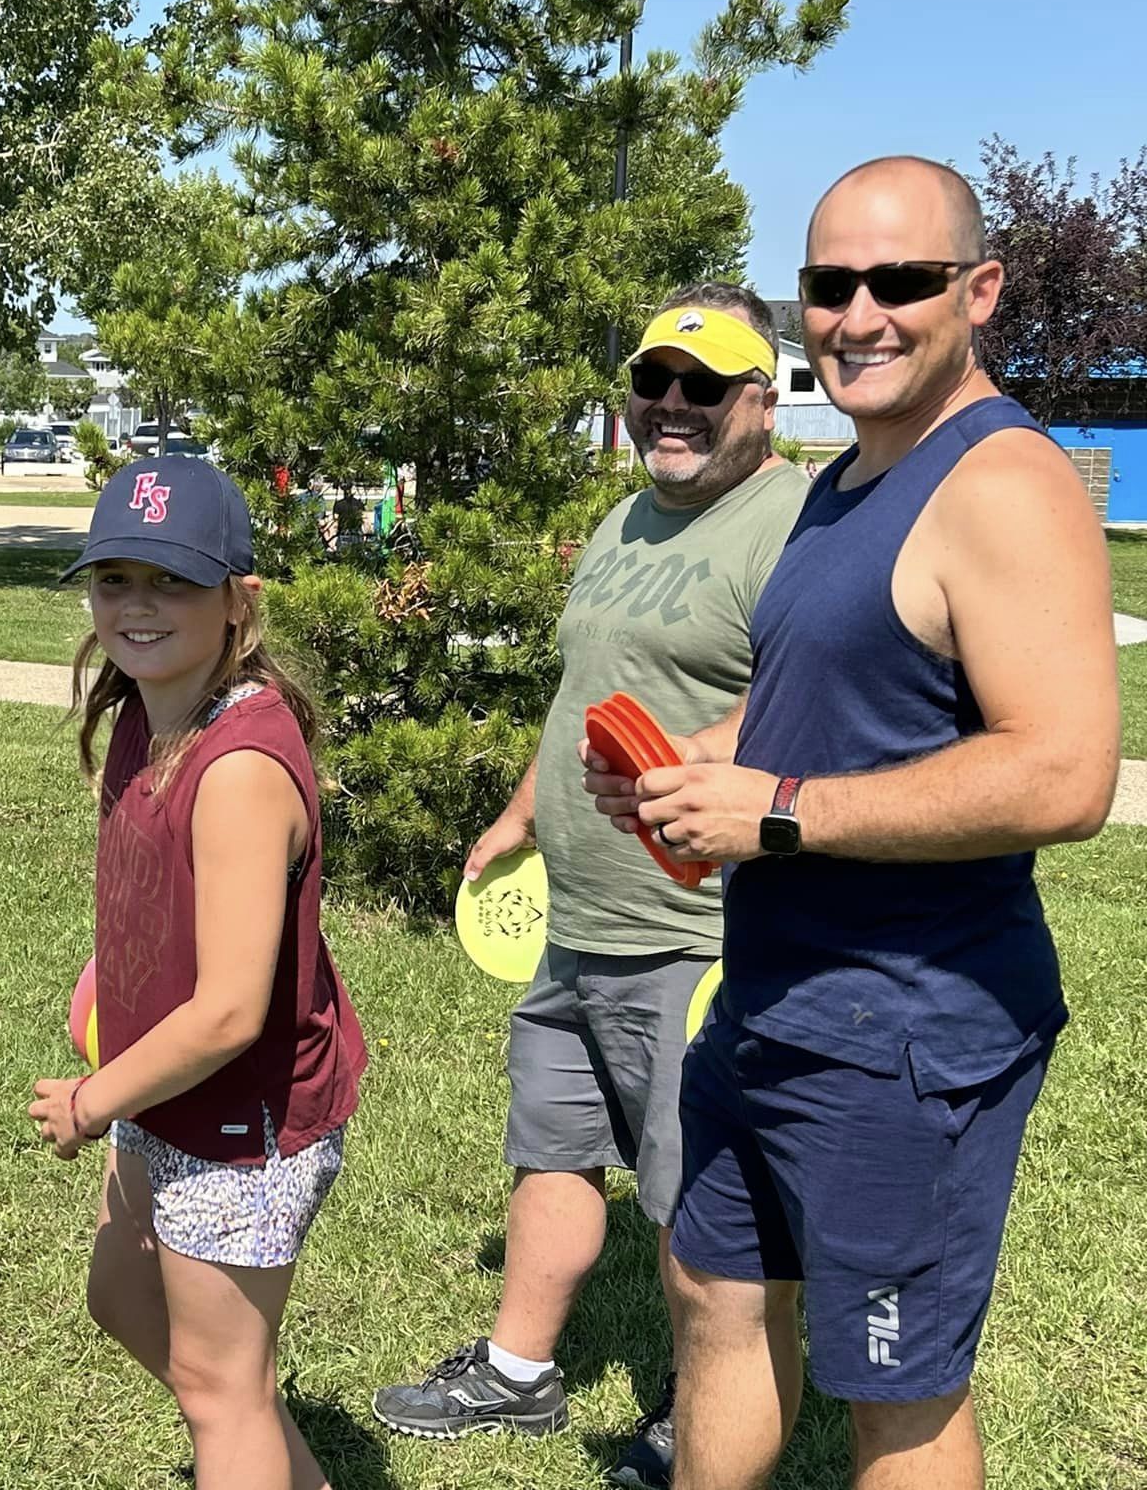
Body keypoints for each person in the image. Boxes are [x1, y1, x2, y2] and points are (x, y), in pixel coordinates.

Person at [590, 158, 1117, 1490]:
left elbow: (1064, 774)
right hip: (772, 1002)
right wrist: (694, 766)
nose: (859, 315)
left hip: (905, 1039)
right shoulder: (845, 480)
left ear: (977, 291)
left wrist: (774, 813)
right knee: (711, 1294)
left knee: (898, 1396)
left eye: (901, 281)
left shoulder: (1002, 482)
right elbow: (817, 701)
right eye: (831, 285)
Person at [372, 285, 809, 1489]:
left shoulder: (792, 526)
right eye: (651, 381)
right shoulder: (624, 519)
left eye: (702, 386)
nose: (670, 404)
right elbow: (584, 697)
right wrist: (524, 811)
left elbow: (806, 709)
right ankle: (516, 1375)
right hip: (578, 917)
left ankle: (698, 1406)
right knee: (551, 1149)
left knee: (697, 1194)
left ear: (759, 399)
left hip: (698, 929)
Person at [29, 456, 368, 1490]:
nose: (138, 606)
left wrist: (90, 1101)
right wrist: (118, 973)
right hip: (165, 1087)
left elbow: (226, 1014)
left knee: (223, 1391)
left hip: (240, 1120)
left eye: (172, 581)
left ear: (237, 600)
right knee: (123, 1299)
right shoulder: (149, 705)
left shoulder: (238, 770)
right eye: (115, 579)